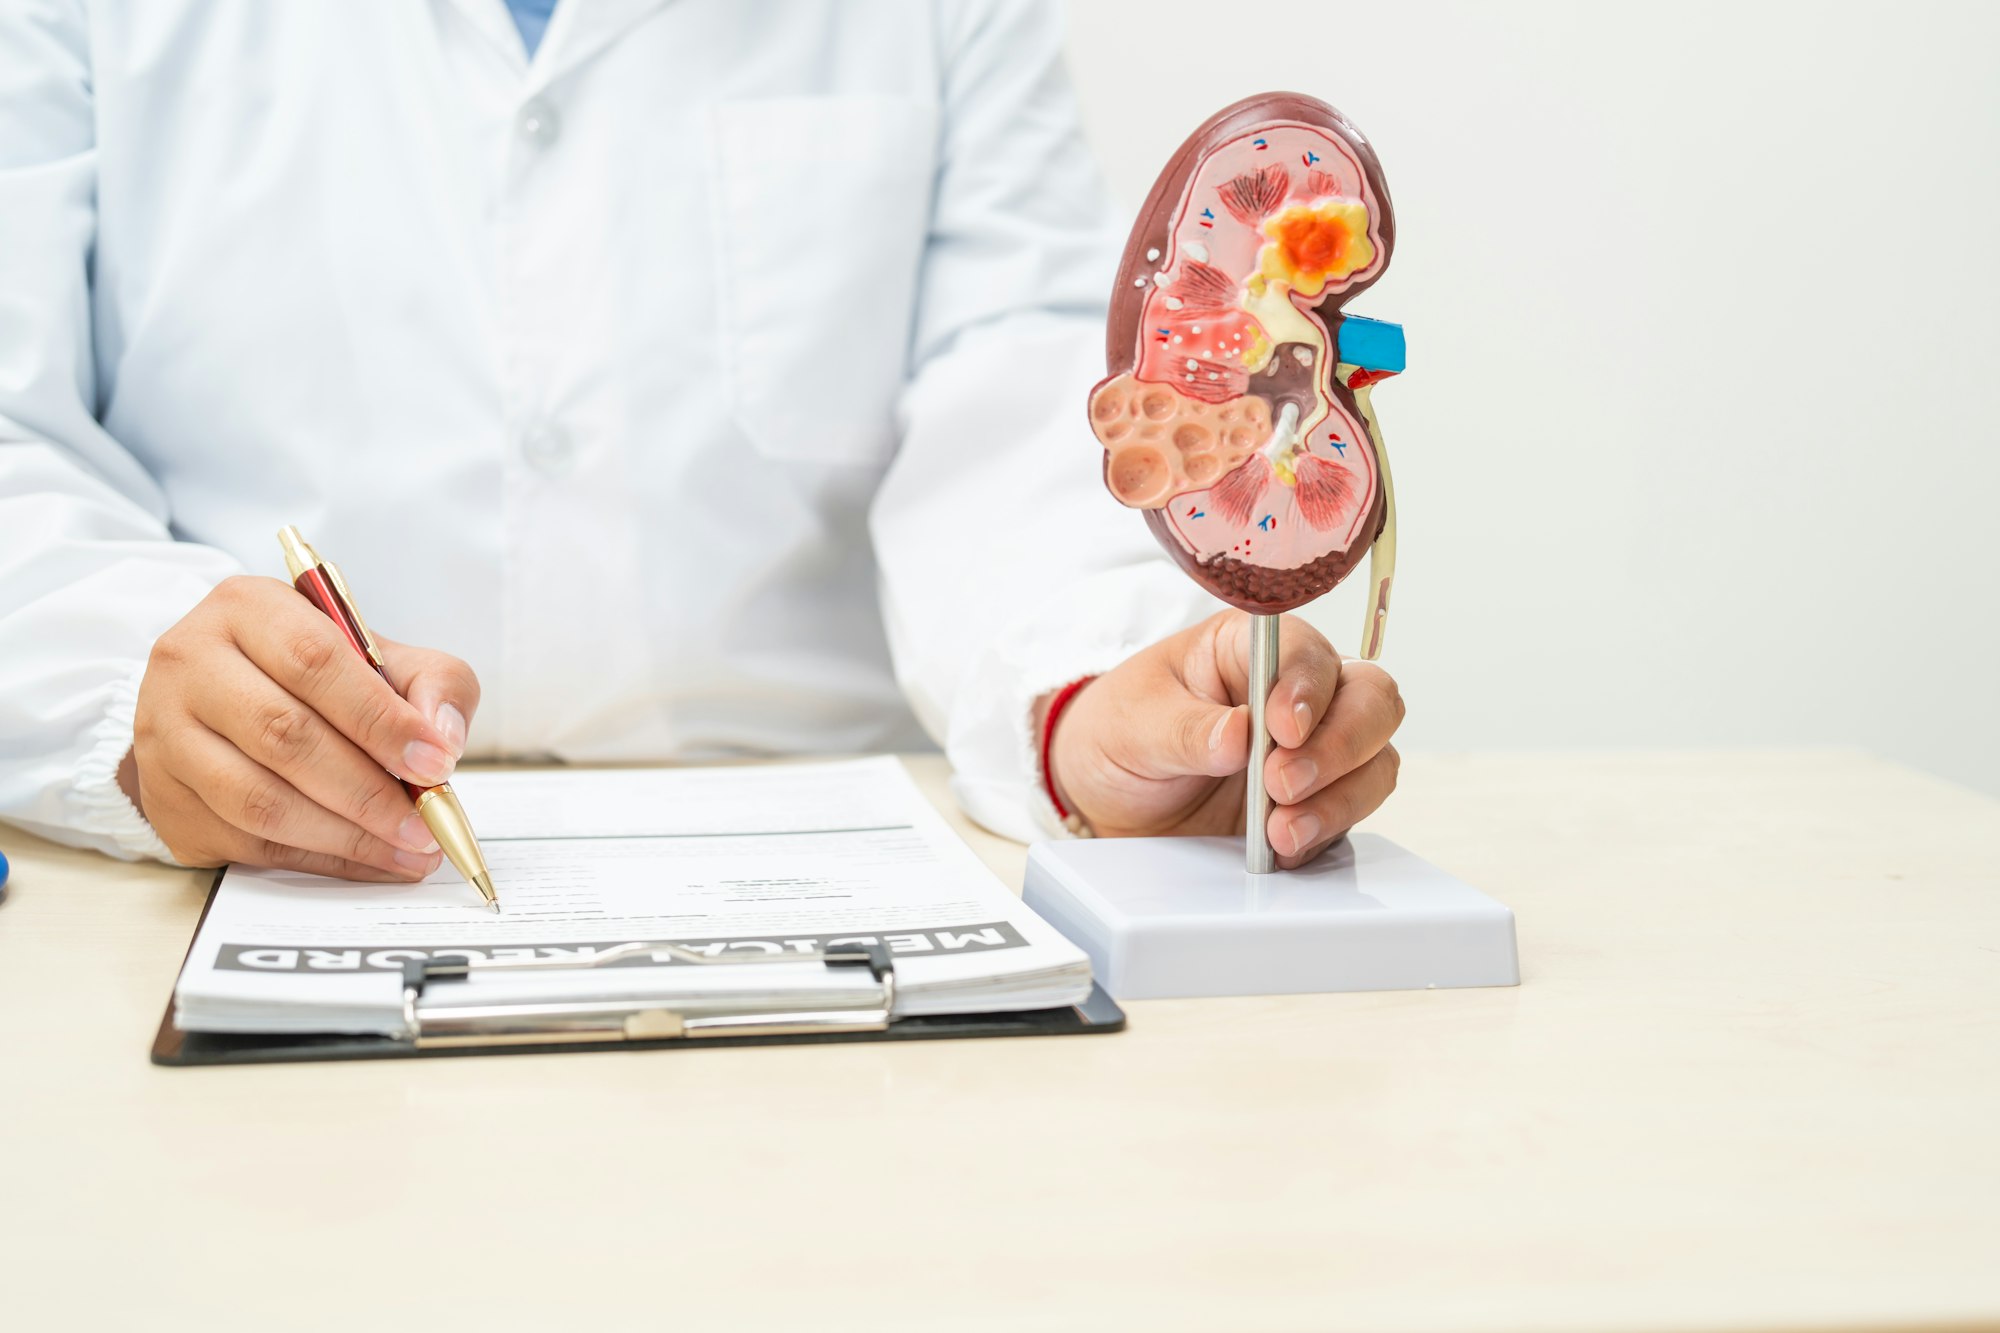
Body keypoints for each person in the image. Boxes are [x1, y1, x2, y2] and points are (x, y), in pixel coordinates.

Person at [0, 0, 1402, 881]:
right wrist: (133, 684)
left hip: (822, 873)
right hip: (233, 882)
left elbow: (1015, 389)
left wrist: (1088, 701)